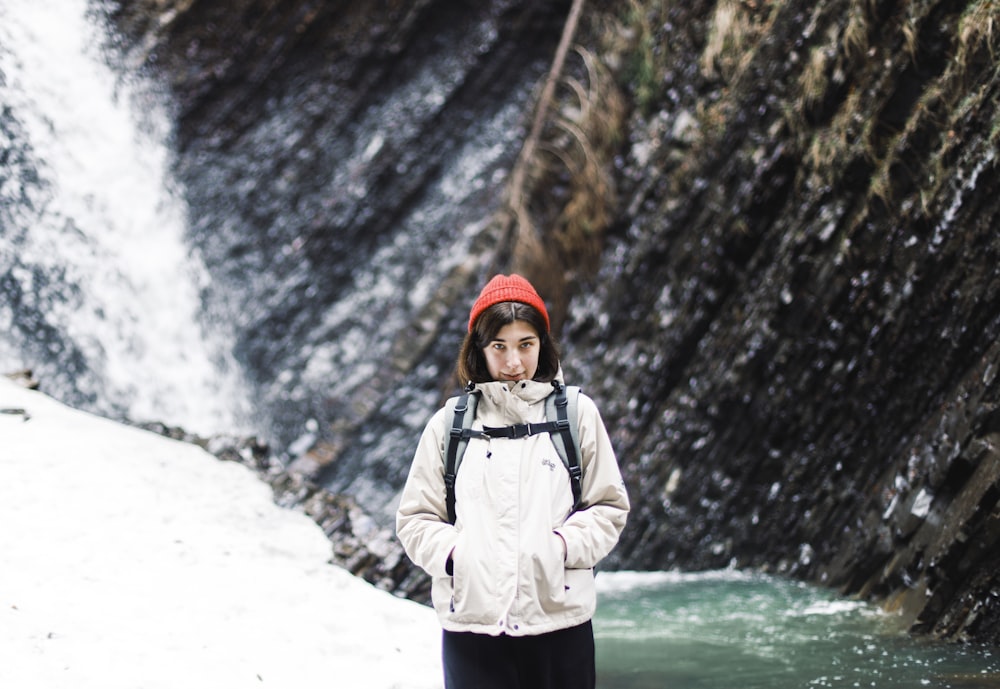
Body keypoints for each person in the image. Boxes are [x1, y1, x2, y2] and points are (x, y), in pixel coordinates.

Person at [396, 273, 630, 689]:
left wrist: (561, 548)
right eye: (498, 347)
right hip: (473, 628)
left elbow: (608, 507)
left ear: (543, 345)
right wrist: (458, 556)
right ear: (479, 350)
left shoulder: (575, 416)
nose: (513, 363)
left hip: (560, 620)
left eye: (526, 345)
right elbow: (415, 519)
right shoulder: (448, 425)